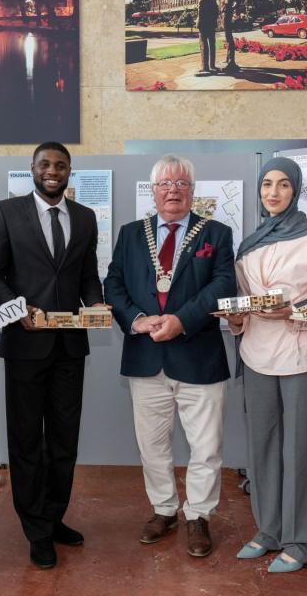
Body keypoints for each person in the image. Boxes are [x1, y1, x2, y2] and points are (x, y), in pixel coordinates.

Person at [103, 154, 235, 557]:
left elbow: (223, 284)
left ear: (192, 191)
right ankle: (164, 510)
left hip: (198, 355)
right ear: (153, 191)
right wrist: (137, 319)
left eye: (181, 184)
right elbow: (113, 283)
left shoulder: (217, 232)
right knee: (152, 444)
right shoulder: (130, 234)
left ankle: (198, 516)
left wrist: (181, 320)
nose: (173, 190)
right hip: (146, 357)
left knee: (206, 447)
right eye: (164, 184)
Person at [0, 142, 105, 570]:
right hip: (26, 345)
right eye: (45, 165)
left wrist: (97, 304)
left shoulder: (85, 217)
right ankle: (35, 529)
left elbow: (87, 274)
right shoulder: (6, 212)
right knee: (27, 441)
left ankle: (54, 518)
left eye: (61, 166)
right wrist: (19, 310)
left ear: (70, 172)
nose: (53, 171)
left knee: (63, 441)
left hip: (70, 346)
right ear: (32, 170)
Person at [226, 157, 307, 572]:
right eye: (267, 184)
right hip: (256, 354)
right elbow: (242, 301)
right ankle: (268, 530)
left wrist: (292, 311)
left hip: (301, 354)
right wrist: (235, 318)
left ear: (296, 190)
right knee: (263, 447)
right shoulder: (249, 244)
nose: (273, 192)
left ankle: (303, 540)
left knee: (302, 449)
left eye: (284, 185)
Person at [196, 0, 220, 75]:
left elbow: (200, 15)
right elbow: (217, 13)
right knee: (212, 45)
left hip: (203, 26)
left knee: (203, 45)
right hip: (211, 26)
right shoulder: (213, 1)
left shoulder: (201, 1)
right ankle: (212, 65)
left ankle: (205, 67)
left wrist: (198, 24)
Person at [222, 0, 241, 72]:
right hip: (225, 14)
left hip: (228, 14)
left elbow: (238, 1)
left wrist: (231, 8)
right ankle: (228, 58)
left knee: (229, 37)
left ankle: (231, 61)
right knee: (227, 37)